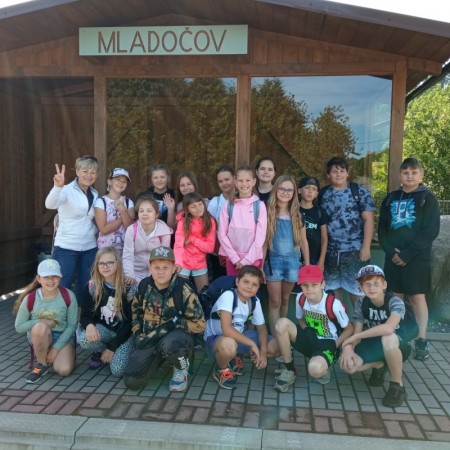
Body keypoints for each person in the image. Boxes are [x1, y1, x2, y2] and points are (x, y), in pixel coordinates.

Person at [378, 157, 440, 361]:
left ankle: (422, 339)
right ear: (400, 175)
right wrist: (391, 252)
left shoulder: (428, 198)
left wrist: (408, 254)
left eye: (414, 172)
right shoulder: (390, 198)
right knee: (395, 298)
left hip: (417, 259)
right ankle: (397, 336)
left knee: (416, 298)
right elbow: (382, 230)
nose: (409, 176)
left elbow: (430, 231)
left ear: (421, 174)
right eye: (405, 172)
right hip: (393, 258)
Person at [124, 246, 206, 392]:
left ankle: (181, 367)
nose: (161, 271)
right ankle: (162, 362)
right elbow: (136, 314)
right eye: (156, 267)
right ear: (150, 268)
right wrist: (138, 334)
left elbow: (200, 324)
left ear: (174, 268)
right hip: (151, 338)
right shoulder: (143, 286)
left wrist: (174, 324)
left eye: (166, 267)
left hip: (176, 338)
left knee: (173, 345)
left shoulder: (184, 289)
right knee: (132, 381)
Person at [340, 265, 413, 408]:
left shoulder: (394, 301)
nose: (371, 288)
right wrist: (348, 348)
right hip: (374, 345)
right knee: (348, 366)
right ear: (360, 287)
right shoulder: (361, 303)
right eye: (366, 284)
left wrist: (355, 337)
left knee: (388, 337)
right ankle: (379, 364)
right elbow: (357, 334)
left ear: (384, 285)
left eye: (376, 283)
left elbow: (388, 328)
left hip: (398, 345)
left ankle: (397, 386)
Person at [272, 265, 352, 392]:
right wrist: (307, 332)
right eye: (305, 285)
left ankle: (323, 367)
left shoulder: (334, 304)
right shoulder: (300, 298)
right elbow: (300, 319)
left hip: (328, 343)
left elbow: (349, 329)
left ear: (322, 284)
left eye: (314, 285)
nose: (309, 289)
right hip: (311, 336)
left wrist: (335, 345)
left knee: (315, 370)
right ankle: (290, 370)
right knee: (281, 323)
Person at [204, 265, 273, 389]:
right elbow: (227, 330)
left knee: (275, 345)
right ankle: (221, 369)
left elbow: (262, 328)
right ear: (237, 282)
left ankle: (235, 358)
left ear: (258, 287)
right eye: (245, 282)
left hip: (238, 336)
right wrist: (252, 344)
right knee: (229, 345)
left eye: (254, 284)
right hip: (216, 339)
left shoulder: (254, 301)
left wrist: (262, 352)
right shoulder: (229, 295)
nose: (249, 287)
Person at [319, 156, 376, 304]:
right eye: (334, 171)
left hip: (355, 251)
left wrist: (366, 247)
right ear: (328, 175)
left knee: (357, 293)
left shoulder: (360, 192)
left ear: (347, 173)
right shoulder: (322, 194)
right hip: (330, 253)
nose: (338, 174)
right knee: (332, 294)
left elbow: (369, 220)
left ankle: (359, 320)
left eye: (342, 171)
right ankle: (339, 319)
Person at [45, 156, 99, 302]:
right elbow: (50, 204)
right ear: (77, 171)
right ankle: (60, 315)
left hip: (89, 247)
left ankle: (82, 315)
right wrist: (57, 186)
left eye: (93, 172)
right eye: (85, 171)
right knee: (62, 285)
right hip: (66, 247)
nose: (89, 175)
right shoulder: (66, 190)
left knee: (86, 288)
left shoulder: (94, 194)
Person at [14, 259, 78, 384]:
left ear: (60, 277)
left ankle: (55, 353)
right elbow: (19, 326)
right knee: (40, 327)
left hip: (62, 336)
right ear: (38, 279)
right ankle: (41, 364)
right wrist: (40, 321)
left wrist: (56, 348)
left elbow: (72, 325)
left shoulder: (68, 296)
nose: (51, 280)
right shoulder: (30, 298)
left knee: (63, 370)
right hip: (40, 335)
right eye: (46, 277)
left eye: (55, 276)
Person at [78, 247, 137, 377]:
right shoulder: (92, 286)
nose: (105, 266)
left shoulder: (129, 287)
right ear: (97, 265)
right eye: (101, 263)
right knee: (84, 339)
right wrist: (89, 325)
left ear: (118, 264)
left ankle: (123, 350)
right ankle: (101, 350)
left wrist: (112, 347)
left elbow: (131, 322)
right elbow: (85, 315)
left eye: (110, 262)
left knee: (117, 371)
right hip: (105, 330)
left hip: (124, 334)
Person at [264, 175, 310, 335]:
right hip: (273, 262)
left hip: (293, 263)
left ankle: (282, 334)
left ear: (294, 193)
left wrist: (307, 263)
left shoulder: (298, 215)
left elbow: (303, 241)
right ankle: (275, 337)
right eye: (282, 189)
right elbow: (264, 242)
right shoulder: (268, 213)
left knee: (285, 300)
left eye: (289, 190)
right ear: (275, 190)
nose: (285, 192)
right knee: (274, 301)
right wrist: (260, 266)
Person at [218, 165, 267, 276]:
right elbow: (222, 234)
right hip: (232, 259)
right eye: (240, 180)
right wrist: (235, 258)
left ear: (254, 181)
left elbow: (260, 238)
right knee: (232, 285)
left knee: (249, 285)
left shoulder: (259, 206)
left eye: (248, 180)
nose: (244, 184)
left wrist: (246, 261)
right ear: (235, 182)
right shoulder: (228, 205)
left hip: (252, 259)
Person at [122, 194, 172, 284]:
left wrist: (157, 277)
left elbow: (164, 258)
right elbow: (128, 255)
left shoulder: (164, 231)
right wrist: (129, 275)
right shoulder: (132, 230)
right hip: (135, 273)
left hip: (156, 274)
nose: (145, 213)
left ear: (157, 214)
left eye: (149, 211)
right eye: (141, 211)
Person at [174, 192, 217, 292]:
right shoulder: (182, 222)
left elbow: (210, 248)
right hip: (184, 261)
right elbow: (179, 245)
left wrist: (192, 239)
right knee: (181, 292)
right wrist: (178, 263)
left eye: (200, 204)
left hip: (200, 262)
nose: (198, 208)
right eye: (193, 206)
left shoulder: (210, 221)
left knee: (203, 293)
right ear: (187, 209)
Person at [95, 168, 135, 253]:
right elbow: (104, 230)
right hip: (105, 250)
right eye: (118, 179)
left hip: (125, 250)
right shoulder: (101, 202)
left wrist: (123, 210)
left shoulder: (128, 202)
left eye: (124, 181)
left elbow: (130, 228)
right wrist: (124, 215)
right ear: (109, 181)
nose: (121, 183)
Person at [207, 165, 235, 279]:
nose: (224, 183)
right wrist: (220, 252)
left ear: (234, 178)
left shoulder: (243, 200)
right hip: (219, 254)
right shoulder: (215, 203)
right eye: (221, 181)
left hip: (240, 253)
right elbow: (210, 230)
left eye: (227, 179)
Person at [298, 176, 328, 270]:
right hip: (296, 257)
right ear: (299, 190)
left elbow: (324, 238)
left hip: (315, 258)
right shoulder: (294, 211)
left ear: (317, 194)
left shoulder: (320, 212)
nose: (310, 191)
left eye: (314, 189)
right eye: (307, 188)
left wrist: (321, 260)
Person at [143, 164, 176, 228]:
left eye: (162, 177)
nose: (159, 180)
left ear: (168, 178)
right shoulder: (145, 196)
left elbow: (174, 225)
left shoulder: (174, 196)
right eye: (155, 178)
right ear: (151, 179)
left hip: (169, 232)